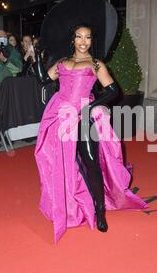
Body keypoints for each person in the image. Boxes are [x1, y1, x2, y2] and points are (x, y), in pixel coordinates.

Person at [34, 24, 147, 243]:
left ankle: (100, 210)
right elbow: (43, 79)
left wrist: (89, 107)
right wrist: (38, 57)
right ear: (73, 39)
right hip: (62, 114)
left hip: (85, 117)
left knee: (91, 161)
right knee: (64, 162)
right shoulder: (61, 63)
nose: (83, 41)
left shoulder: (96, 64)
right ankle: (70, 202)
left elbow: (114, 91)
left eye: (88, 37)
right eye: (79, 37)